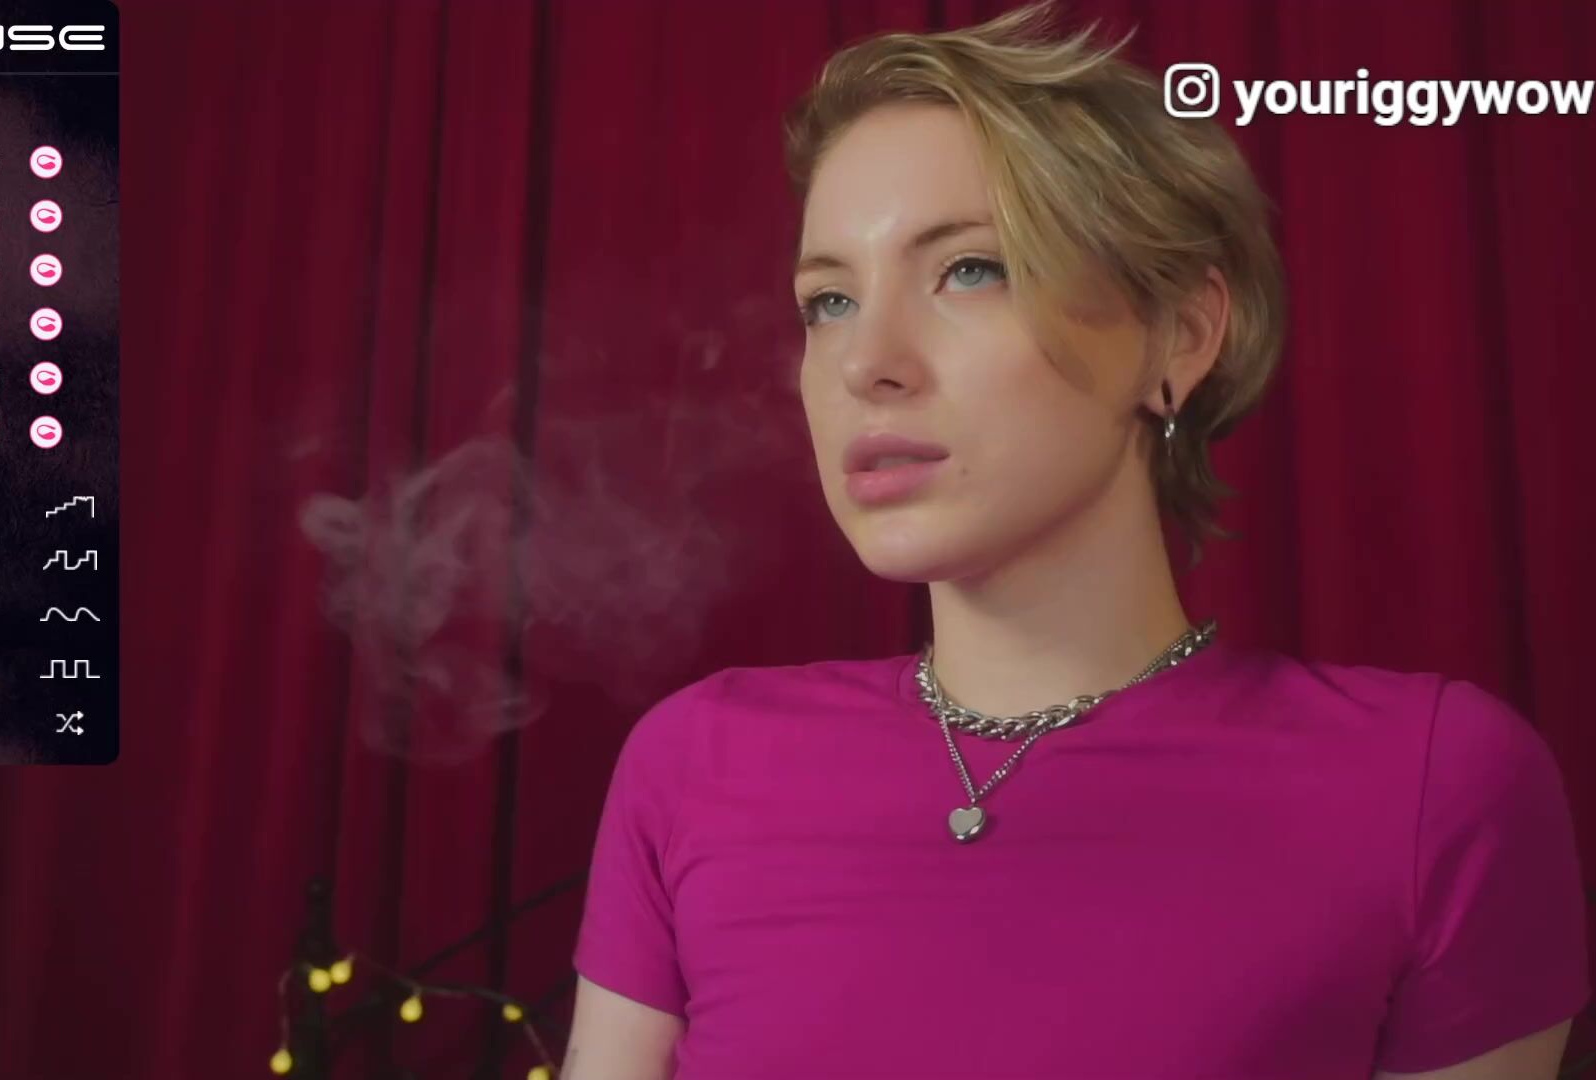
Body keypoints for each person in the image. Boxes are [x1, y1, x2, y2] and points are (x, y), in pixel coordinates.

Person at [562, 3, 1588, 1077]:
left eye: (969, 269)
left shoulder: (1431, 787)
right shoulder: (694, 765)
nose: (866, 362)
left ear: (1177, 335)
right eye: (827, 300)